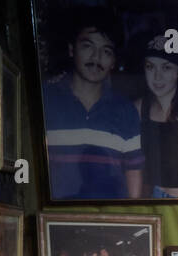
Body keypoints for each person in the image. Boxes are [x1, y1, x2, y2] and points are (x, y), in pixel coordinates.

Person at [41, 15, 143, 200]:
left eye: (106, 51)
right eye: (88, 46)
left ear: (113, 61)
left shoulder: (126, 110)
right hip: (56, 222)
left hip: (109, 223)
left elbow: (133, 174)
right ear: (72, 49)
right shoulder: (45, 100)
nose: (96, 58)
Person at [134, 35, 178, 199]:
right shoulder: (139, 108)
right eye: (150, 67)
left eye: (166, 68)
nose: (157, 77)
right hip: (158, 197)